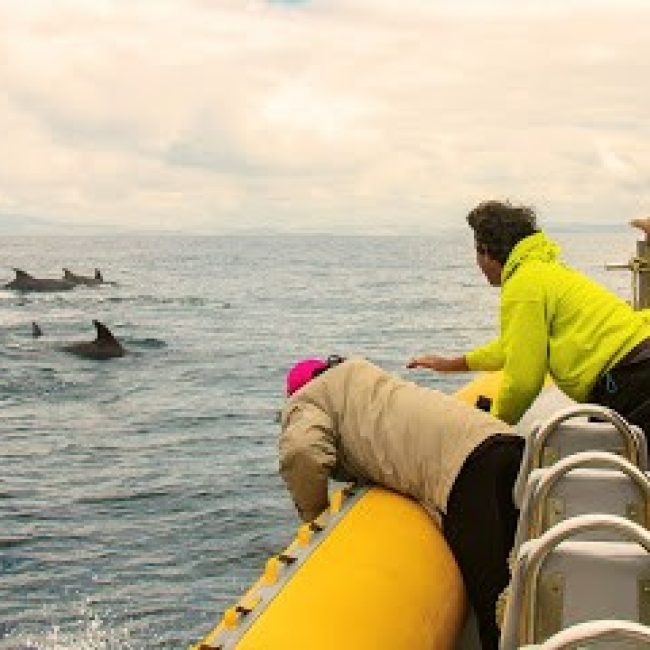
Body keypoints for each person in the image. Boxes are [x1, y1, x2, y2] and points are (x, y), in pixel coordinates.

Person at [279, 354, 524, 650]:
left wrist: (314, 514)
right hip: (502, 443)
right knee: (519, 584)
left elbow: (301, 453)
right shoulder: (362, 380)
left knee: (492, 599)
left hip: (465, 470)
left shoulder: (309, 400)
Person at [408, 200, 650, 435]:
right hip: (636, 365)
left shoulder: (522, 286)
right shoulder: (541, 270)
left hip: (629, 379)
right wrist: (452, 364)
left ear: (486, 251)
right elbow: (516, 346)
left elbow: (524, 382)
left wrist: (491, 429)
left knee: (614, 467)